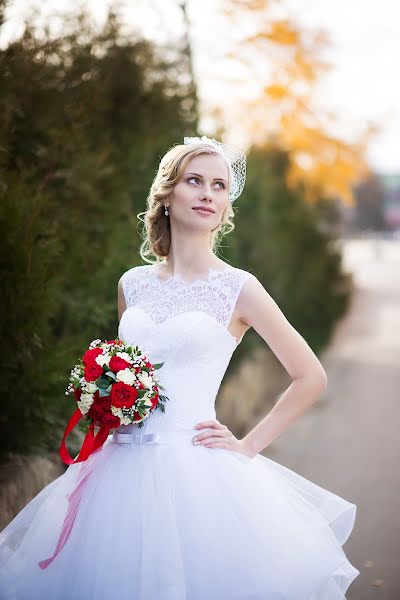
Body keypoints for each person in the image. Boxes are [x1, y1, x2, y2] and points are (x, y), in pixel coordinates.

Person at [0, 135, 359, 599]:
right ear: (167, 194)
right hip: (116, 472)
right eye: (194, 181)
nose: (208, 193)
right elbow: (129, 373)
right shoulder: (132, 284)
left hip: (196, 472)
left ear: (227, 205)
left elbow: (310, 377)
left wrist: (248, 446)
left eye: (219, 186)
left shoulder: (239, 289)